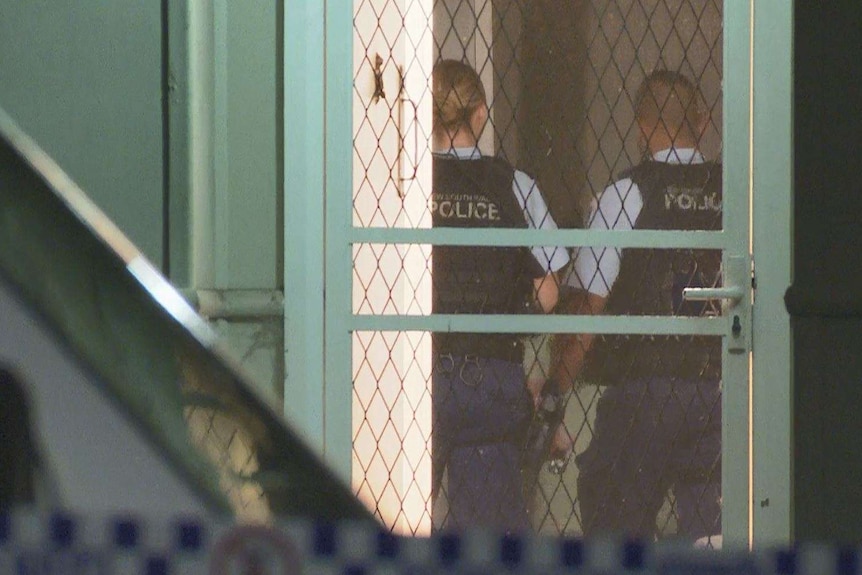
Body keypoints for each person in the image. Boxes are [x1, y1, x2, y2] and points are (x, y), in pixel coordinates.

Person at [549, 70, 722, 541]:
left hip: (645, 389)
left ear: (642, 127)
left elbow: (588, 305)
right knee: (719, 531)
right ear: (703, 123)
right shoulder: (738, 192)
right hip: (725, 389)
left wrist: (554, 394)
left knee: (615, 521)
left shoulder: (625, 194)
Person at [430, 59, 569, 532]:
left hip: (405, 372)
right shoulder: (514, 184)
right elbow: (549, 291)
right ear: (481, 114)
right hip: (488, 375)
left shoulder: (401, 184)